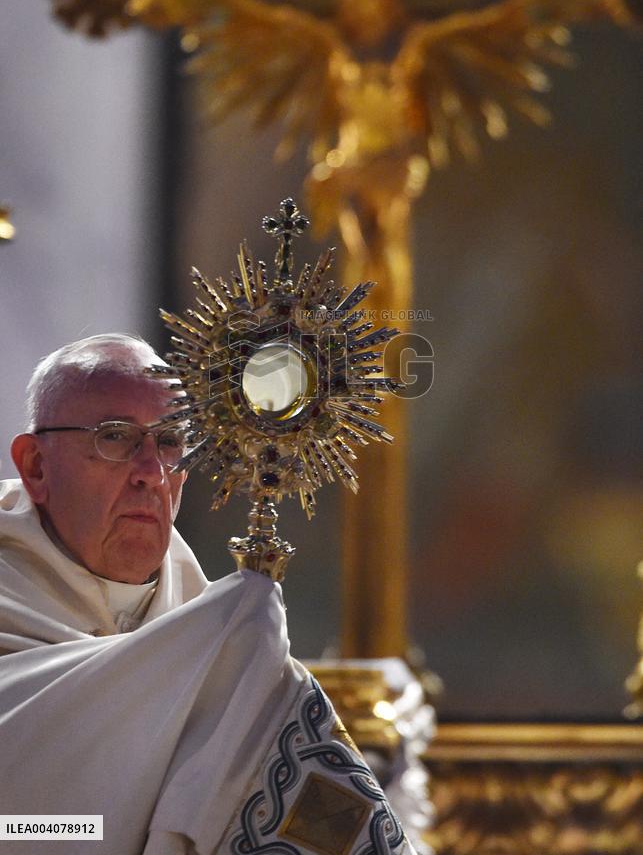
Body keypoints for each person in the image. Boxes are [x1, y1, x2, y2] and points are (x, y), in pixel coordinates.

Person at [0, 334, 414, 855]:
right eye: (114, 437)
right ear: (35, 465)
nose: (151, 472)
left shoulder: (224, 647)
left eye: (171, 440)